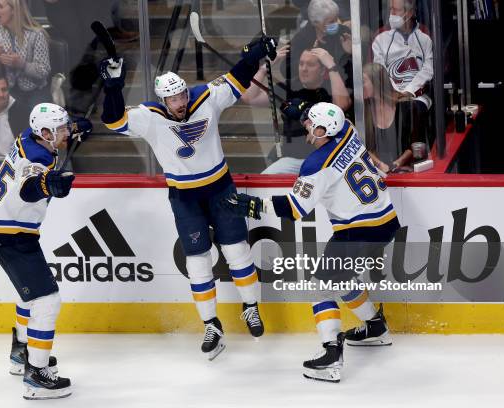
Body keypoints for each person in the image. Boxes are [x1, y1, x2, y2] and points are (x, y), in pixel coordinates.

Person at [100, 36, 279, 360]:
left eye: (182, 94)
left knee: (238, 252)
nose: (180, 102)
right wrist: (113, 87)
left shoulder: (206, 97)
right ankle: (211, 324)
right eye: (173, 99)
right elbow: (113, 120)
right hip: (184, 197)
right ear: (163, 101)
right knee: (197, 263)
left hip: (220, 188)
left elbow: (238, 78)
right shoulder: (150, 116)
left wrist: (254, 54)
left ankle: (251, 307)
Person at [221, 102, 399, 382]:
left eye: (309, 124)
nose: (306, 127)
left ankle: (331, 354)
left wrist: (252, 206)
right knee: (340, 279)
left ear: (321, 129)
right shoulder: (349, 132)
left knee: (321, 287)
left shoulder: (316, 165)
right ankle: (375, 327)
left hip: (357, 232)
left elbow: (294, 209)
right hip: (386, 222)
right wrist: (302, 113)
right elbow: (336, 121)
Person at [0, 102, 91, 399]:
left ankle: (21, 353)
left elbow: (48, 136)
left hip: (4, 227)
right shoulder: (39, 158)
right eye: (61, 129)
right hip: (12, 233)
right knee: (46, 301)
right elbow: (29, 186)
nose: (65, 133)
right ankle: (36, 375)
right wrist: (47, 184)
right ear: (45, 132)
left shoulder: (29, 136)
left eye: (65, 128)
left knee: (29, 297)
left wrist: (74, 126)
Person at [242, 46, 351, 174]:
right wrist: (264, 69)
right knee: (264, 179)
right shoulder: (288, 88)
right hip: (292, 161)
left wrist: (331, 66)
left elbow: (342, 105)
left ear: (322, 70)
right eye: (301, 64)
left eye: (310, 65)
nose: (304, 69)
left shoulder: (330, 87)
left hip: (326, 160)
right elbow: (249, 97)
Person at [0, 0, 51, 109]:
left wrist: (22, 64)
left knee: (34, 118)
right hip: (9, 89)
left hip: (36, 90)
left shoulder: (36, 34)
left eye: (0, 6)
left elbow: (44, 71)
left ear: (14, 11)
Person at [372, 0, 433, 110]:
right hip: (389, 96)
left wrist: (409, 91)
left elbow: (428, 69)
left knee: (411, 111)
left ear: (409, 13)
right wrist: (395, 93)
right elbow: (378, 69)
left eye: (396, 10)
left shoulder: (425, 35)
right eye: (390, 9)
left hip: (418, 97)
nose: (391, 14)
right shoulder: (380, 37)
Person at [363, 63, 425, 172]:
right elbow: (363, 146)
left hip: (405, 172)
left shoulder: (406, 107)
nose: (360, 86)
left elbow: (415, 143)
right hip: (376, 173)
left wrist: (396, 164)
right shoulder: (363, 110)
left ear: (377, 81)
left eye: (363, 81)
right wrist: (379, 164)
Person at [286, 0, 353, 91]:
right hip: (313, 89)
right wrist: (309, 61)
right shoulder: (302, 38)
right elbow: (285, 68)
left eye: (336, 18)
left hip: (341, 86)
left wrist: (350, 53)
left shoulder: (343, 32)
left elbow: (356, 66)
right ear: (316, 23)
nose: (336, 23)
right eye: (331, 21)